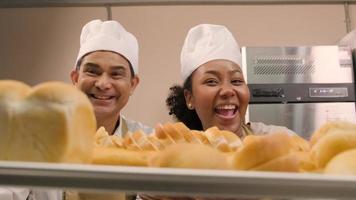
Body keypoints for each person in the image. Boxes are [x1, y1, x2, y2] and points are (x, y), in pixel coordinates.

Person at [166, 23, 296, 139]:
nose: (228, 91)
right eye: (212, 81)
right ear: (190, 98)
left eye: (236, 81)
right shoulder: (181, 157)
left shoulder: (280, 140)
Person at [71, 19, 153, 136]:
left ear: (133, 84)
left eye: (116, 74)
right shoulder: (45, 136)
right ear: (75, 78)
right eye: (93, 72)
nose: (103, 84)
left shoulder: (149, 141)